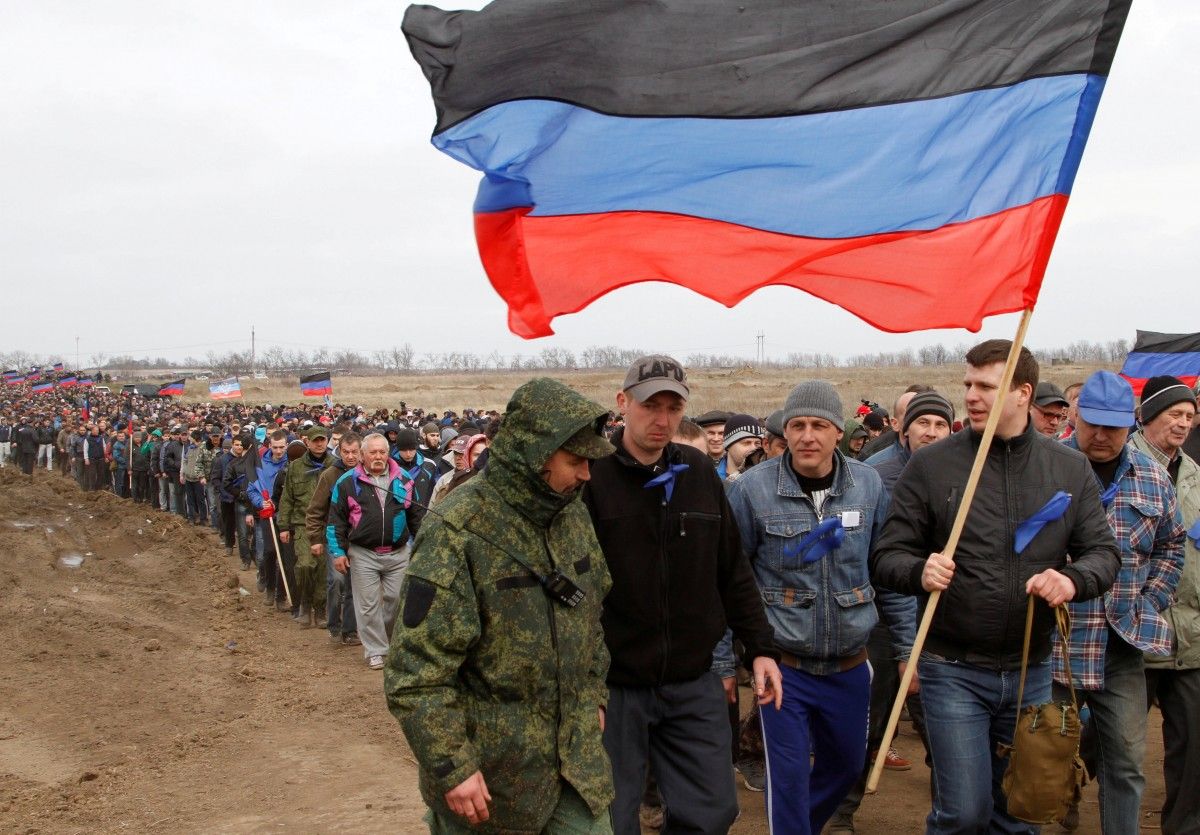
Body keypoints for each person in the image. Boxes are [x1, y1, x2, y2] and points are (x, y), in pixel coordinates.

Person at [871, 338, 1121, 833]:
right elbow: (886, 556)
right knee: (962, 812)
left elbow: (1104, 554)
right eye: (968, 384)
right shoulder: (932, 466)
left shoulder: (1068, 468)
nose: (971, 396)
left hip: (1032, 669)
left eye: (987, 385)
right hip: (951, 668)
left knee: (1018, 812)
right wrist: (918, 570)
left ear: (1023, 392)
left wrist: (1070, 579)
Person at [385, 378, 616, 833]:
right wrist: (453, 767)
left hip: (577, 768)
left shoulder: (574, 517)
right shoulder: (458, 529)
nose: (587, 474)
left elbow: (593, 618)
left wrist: (595, 696)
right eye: (576, 461)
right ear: (535, 454)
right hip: (492, 786)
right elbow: (416, 672)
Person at [584, 355, 780, 835]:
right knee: (611, 816)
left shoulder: (696, 472)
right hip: (617, 681)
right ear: (622, 403)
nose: (663, 418)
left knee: (713, 811)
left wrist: (760, 648)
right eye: (652, 405)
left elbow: (732, 570)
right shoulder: (593, 478)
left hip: (692, 679)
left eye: (674, 407)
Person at [726, 380, 899, 835]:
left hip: (850, 663)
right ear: (784, 430)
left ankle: (801, 825)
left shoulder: (869, 485)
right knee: (786, 780)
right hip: (784, 667)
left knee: (845, 767)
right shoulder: (750, 491)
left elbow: (885, 570)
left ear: (838, 432)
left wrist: (905, 648)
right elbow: (728, 579)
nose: (807, 436)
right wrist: (725, 660)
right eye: (797, 425)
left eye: (819, 425)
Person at [1051, 370, 1183, 834]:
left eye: (1114, 425)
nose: (1102, 435)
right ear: (1075, 417)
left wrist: (1151, 600)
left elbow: (1172, 545)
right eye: (1093, 423)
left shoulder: (1152, 477)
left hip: (1121, 644)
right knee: (1037, 756)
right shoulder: (1043, 468)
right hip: (1053, 644)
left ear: (1134, 422)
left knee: (1126, 765)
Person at [1131, 375, 1200, 835]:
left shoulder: (1195, 474)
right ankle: (1072, 785)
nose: (1183, 423)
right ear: (1149, 415)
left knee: (1195, 747)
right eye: (1174, 413)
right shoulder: (1120, 463)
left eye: (1190, 416)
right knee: (1109, 743)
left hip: (1190, 633)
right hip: (1131, 630)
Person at [327, 433, 417, 669]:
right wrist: (337, 552)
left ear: (389, 454)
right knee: (367, 605)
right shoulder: (347, 482)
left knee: (396, 600)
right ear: (363, 455)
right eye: (373, 452)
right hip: (363, 552)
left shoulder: (404, 479)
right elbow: (335, 520)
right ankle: (376, 650)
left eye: (382, 452)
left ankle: (389, 640)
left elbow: (416, 517)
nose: (378, 457)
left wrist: (421, 547)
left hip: (398, 552)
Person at [306, 431, 361, 645]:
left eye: (354, 452)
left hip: (358, 538)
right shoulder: (329, 475)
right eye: (346, 452)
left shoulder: (366, 474)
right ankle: (334, 625)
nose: (350, 456)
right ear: (339, 451)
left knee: (353, 585)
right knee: (337, 582)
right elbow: (315, 509)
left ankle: (350, 630)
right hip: (334, 536)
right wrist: (315, 538)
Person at [278, 425, 332, 628]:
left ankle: (320, 609)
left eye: (322, 440)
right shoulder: (296, 467)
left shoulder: (334, 465)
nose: (319, 444)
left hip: (327, 525)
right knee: (305, 566)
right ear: (307, 442)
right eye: (315, 440)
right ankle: (305, 604)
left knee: (322, 570)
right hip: (302, 525)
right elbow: (287, 499)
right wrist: (284, 526)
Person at [716, 413, 762, 481]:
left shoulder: (766, 479)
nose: (753, 448)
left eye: (757, 443)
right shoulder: (712, 478)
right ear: (728, 445)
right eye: (747, 443)